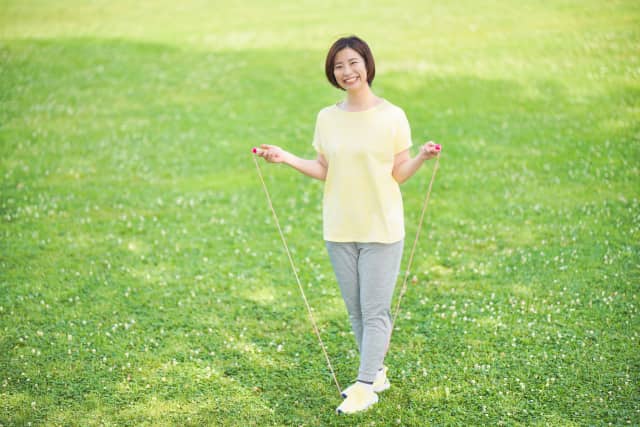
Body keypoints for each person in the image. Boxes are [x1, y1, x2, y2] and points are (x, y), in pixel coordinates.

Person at [254, 35, 440, 414]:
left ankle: (365, 385)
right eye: (339, 66)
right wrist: (286, 158)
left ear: (367, 65)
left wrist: (421, 155)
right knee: (356, 311)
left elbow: (399, 172)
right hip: (339, 228)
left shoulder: (392, 115)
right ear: (332, 73)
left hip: (382, 228)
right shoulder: (327, 118)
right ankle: (377, 372)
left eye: (353, 62)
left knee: (375, 312)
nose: (346, 71)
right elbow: (325, 168)